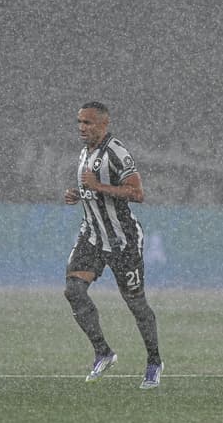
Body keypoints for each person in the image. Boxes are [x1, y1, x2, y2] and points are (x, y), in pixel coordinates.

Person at [63, 101, 163, 389]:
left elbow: (137, 193)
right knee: (73, 290)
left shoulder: (117, 152)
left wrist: (98, 188)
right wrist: (79, 194)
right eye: (79, 122)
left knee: (136, 304)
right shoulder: (85, 153)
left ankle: (154, 361)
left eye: (88, 123)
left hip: (123, 241)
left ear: (104, 125)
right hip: (92, 236)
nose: (82, 128)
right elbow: (94, 191)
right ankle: (103, 352)